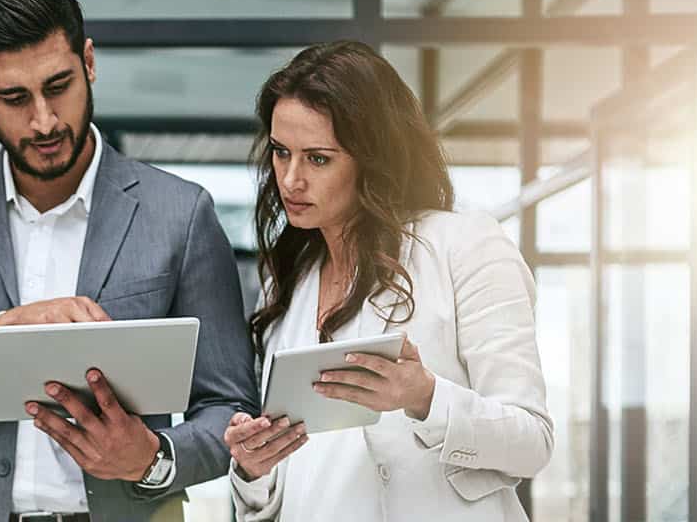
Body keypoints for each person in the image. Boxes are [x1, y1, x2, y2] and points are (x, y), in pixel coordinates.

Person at [0, 0, 258, 521]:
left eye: (58, 86)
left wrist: (155, 458)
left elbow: (231, 406)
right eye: (14, 98)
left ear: (89, 63)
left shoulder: (181, 214)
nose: (43, 120)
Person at [223, 41, 552, 521]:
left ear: (372, 159)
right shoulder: (289, 283)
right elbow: (293, 484)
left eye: (318, 159)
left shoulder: (463, 245)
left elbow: (531, 442)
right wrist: (253, 469)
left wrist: (424, 397)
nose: (290, 179)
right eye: (280, 152)